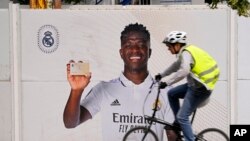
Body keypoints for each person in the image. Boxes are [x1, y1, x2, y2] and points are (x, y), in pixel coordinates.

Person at [63, 23, 178, 141]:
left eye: (141, 44)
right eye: (128, 45)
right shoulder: (103, 89)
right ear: (121, 53)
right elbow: (70, 123)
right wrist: (76, 91)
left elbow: (173, 136)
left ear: (149, 52)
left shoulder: (166, 92)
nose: (135, 49)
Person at [155, 31, 220, 141]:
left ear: (177, 45)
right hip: (194, 85)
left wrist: (167, 82)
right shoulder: (186, 51)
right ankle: (179, 124)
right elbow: (175, 66)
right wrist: (162, 75)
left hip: (200, 89)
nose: (168, 48)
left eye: (169, 46)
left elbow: (184, 71)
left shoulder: (186, 53)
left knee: (182, 116)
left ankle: (188, 136)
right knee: (171, 93)